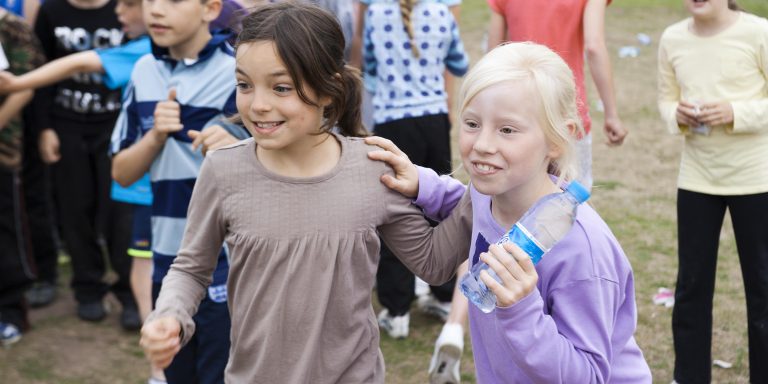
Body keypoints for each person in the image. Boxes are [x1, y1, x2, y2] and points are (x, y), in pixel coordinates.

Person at [138, 3, 473, 383]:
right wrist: (169, 315)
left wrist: (485, 196)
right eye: (244, 84)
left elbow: (434, 263)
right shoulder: (222, 169)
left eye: (281, 87)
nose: (258, 104)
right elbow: (190, 268)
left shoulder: (372, 168)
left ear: (329, 90)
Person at [366, 41, 651, 383]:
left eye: (507, 130)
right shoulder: (491, 194)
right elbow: (465, 203)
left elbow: (589, 376)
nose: (483, 144)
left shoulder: (582, 253)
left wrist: (521, 310)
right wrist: (421, 183)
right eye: (472, 123)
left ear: (560, 139)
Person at [110, 0, 252, 381]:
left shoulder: (240, 69)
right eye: (150, 1)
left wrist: (238, 145)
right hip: (169, 258)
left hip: (231, 260)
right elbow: (121, 172)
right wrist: (155, 135)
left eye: (172, 0)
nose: (156, 11)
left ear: (210, 9)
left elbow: (285, 162)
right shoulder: (144, 70)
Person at [657, 1, 768, 382]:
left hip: (757, 180)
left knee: (763, 286)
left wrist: (735, 112)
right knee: (690, 286)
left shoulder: (758, 32)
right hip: (697, 179)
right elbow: (665, 100)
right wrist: (677, 115)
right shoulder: (672, 38)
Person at [361, 0, 469, 340]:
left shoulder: (376, 11)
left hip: (394, 124)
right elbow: (460, 63)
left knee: (394, 214)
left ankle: (397, 308)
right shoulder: (440, 12)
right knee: (442, 209)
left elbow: (370, 66)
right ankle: (442, 294)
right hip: (434, 121)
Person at [31, 0, 139, 324]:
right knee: (76, 208)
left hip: (116, 126)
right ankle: (87, 287)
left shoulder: (125, 8)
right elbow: (41, 70)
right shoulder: (52, 10)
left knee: (121, 212)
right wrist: (45, 128)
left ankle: (129, 291)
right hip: (67, 125)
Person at [487, 0, 626, 190]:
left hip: (518, 112)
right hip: (567, 112)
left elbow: (494, 54)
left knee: (515, 197)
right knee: (570, 200)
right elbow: (594, 47)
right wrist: (611, 114)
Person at [0, 7, 44, 347]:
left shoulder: (9, 27)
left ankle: (12, 311)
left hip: (4, 151)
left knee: (7, 231)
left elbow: (23, 87)